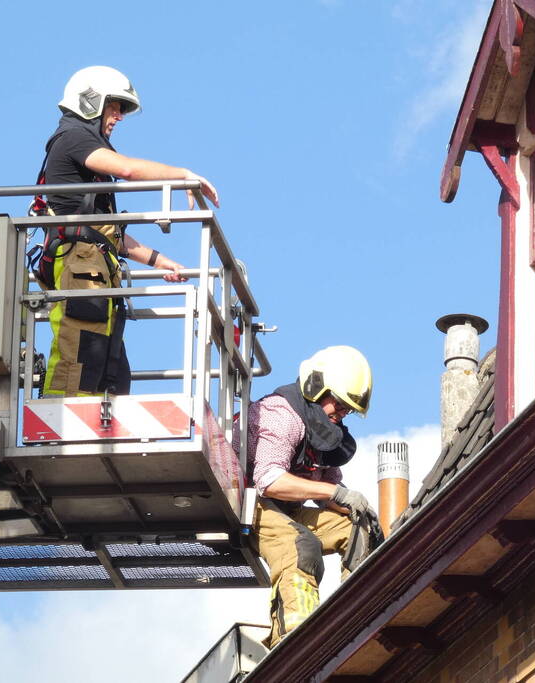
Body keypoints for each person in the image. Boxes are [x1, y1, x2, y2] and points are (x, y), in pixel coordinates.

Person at [35, 65, 219, 398]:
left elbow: (110, 236)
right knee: (81, 349)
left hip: (94, 264)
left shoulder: (87, 151)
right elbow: (128, 170)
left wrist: (163, 262)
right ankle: (57, 426)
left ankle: (95, 425)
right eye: (114, 106)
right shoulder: (73, 136)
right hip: (80, 265)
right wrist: (182, 175)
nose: (119, 116)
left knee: (110, 365)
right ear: (90, 101)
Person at [235, 345, 378, 648]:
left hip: (288, 509)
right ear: (317, 388)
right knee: (301, 546)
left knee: (358, 527)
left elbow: (328, 494)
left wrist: (356, 507)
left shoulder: (321, 428)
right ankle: (295, 643)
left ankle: (359, 617)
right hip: (250, 505)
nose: (341, 415)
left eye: (348, 410)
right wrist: (335, 492)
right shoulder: (280, 414)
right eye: (339, 405)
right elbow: (269, 480)